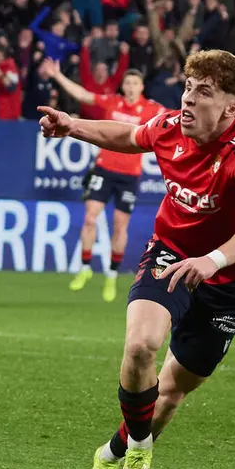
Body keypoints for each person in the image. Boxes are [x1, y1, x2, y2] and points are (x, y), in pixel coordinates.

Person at [37, 49, 235, 469]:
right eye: (188, 87)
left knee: (170, 392)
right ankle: (139, 450)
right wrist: (74, 126)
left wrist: (212, 260)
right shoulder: (170, 127)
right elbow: (129, 136)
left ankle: (112, 453)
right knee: (140, 345)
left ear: (232, 107)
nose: (187, 99)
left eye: (203, 92)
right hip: (170, 255)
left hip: (227, 278)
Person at [42, 60, 164, 302]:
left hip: (129, 176)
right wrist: (57, 75)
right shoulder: (112, 102)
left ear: (142, 87)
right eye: (127, 83)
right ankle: (85, 268)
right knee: (89, 218)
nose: (130, 87)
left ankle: (110, 274)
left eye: (135, 83)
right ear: (123, 86)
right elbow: (84, 95)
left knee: (120, 226)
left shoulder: (151, 109)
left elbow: (175, 120)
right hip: (103, 169)